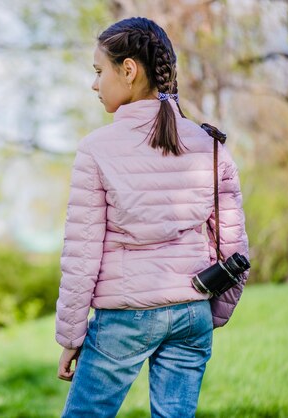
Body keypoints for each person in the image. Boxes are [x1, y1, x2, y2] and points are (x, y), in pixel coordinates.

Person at [54, 17, 249, 418]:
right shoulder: (209, 145)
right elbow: (234, 247)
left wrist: (71, 334)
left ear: (128, 70)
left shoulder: (95, 150)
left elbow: (82, 254)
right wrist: (212, 312)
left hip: (124, 317)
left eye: (98, 71)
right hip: (192, 309)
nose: (94, 84)